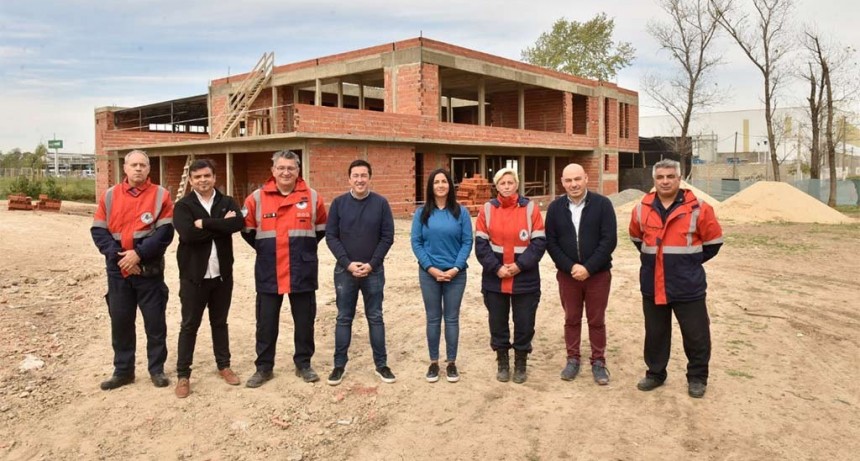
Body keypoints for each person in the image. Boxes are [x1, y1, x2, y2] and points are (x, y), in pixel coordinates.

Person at [629, 159, 723, 398]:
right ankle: (655, 373)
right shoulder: (642, 208)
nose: (665, 181)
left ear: (679, 179)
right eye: (660, 177)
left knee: (696, 334)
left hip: (687, 285)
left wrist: (688, 263)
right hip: (652, 284)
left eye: (670, 176)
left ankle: (697, 378)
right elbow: (637, 239)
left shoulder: (699, 208)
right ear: (654, 180)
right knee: (656, 333)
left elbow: (713, 243)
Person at [241, 150, 327, 388]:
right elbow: (247, 232)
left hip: (302, 269)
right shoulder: (256, 198)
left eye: (291, 168)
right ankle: (264, 368)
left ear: (298, 171)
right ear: (273, 171)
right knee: (266, 323)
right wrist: (269, 251)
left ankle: (304, 364)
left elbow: (320, 230)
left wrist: (301, 251)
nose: (286, 172)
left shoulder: (312, 197)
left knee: (304, 321)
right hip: (269, 271)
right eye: (281, 168)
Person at [91, 150, 174, 390]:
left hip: (149, 272)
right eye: (133, 165)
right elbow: (98, 231)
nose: (138, 169)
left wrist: (138, 254)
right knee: (121, 323)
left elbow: (165, 233)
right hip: (119, 273)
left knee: (155, 324)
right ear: (124, 168)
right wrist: (122, 259)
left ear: (149, 169)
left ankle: (156, 370)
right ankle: (123, 371)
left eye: (143, 165)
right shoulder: (109, 196)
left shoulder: (161, 195)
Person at [172, 159, 245, 398]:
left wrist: (205, 223)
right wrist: (220, 226)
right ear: (191, 180)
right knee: (189, 325)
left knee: (220, 322)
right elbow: (189, 235)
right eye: (197, 177)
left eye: (207, 176)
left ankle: (224, 365)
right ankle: (183, 375)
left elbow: (238, 224)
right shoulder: (183, 206)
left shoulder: (226, 201)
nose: (202, 180)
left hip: (222, 276)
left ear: (214, 177)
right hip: (194, 277)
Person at [325, 159, 396, 386]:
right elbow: (331, 236)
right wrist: (347, 263)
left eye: (363, 175)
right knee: (344, 318)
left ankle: (381, 365)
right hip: (345, 271)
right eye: (355, 176)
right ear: (349, 179)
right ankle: (339, 366)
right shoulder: (338, 204)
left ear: (369, 178)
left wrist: (372, 263)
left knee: (375, 317)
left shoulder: (381, 204)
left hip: (373, 271)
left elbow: (387, 237)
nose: (359, 180)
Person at [545, 163, 617, 385]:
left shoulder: (603, 205)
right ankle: (573, 359)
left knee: (596, 320)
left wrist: (588, 268)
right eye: (568, 180)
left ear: (586, 178)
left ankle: (598, 361)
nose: (573, 184)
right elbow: (551, 243)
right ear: (562, 182)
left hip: (597, 274)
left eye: (577, 179)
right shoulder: (555, 208)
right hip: (568, 276)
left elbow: (609, 240)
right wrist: (570, 267)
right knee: (571, 318)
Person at [474, 167, 546, 384]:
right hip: (495, 279)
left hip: (525, 279)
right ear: (496, 186)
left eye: (510, 182)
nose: (506, 186)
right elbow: (481, 245)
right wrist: (497, 268)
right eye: (502, 183)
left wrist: (519, 266)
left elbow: (540, 242)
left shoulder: (530, 208)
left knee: (524, 323)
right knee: (497, 322)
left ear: (516, 184)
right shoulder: (487, 209)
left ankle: (521, 362)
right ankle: (503, 362)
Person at [411, 168, 473, 383]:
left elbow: (467, 242)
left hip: (456, 274)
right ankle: (434, 362)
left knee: (452, 318)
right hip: (429, 274)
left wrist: (455, 268)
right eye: (436, 182)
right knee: (433, 318)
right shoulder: (422, 213)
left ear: (450, 185)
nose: (440, 185)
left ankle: (451, 363)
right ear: (431, 186)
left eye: (444, 181)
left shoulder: (461, 212)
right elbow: (416, 243)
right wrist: (431, 268)